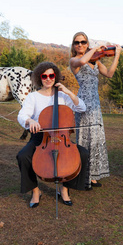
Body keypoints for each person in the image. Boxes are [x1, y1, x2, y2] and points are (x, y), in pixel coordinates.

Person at [16, 61, 89, 208]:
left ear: (55, 76)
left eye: (51, 75)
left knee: (83, 154)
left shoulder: (63, 96)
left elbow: (82, 107)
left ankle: (65, 188)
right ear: (39, 78)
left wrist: (68, 92)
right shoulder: (33, 97)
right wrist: (30, 121)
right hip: (40, 138)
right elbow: (22, 115)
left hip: (63, 138)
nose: (48, 78)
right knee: (23, 156)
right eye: (44, 76)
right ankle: (35, 191)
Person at [69, 31, 122, 189]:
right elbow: (83, 60)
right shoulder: (74, 60)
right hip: (84, 103)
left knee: (96, 138)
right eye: (77, 42)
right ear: (73, 45)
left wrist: (117, 54)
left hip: (96, 103)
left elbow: (110, 74)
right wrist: (95, 48)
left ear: (87, 43)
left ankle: (92, 176)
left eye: (83, 42)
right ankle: (83, 176)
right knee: (85, 138)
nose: (80, 45)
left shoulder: (96, 61)